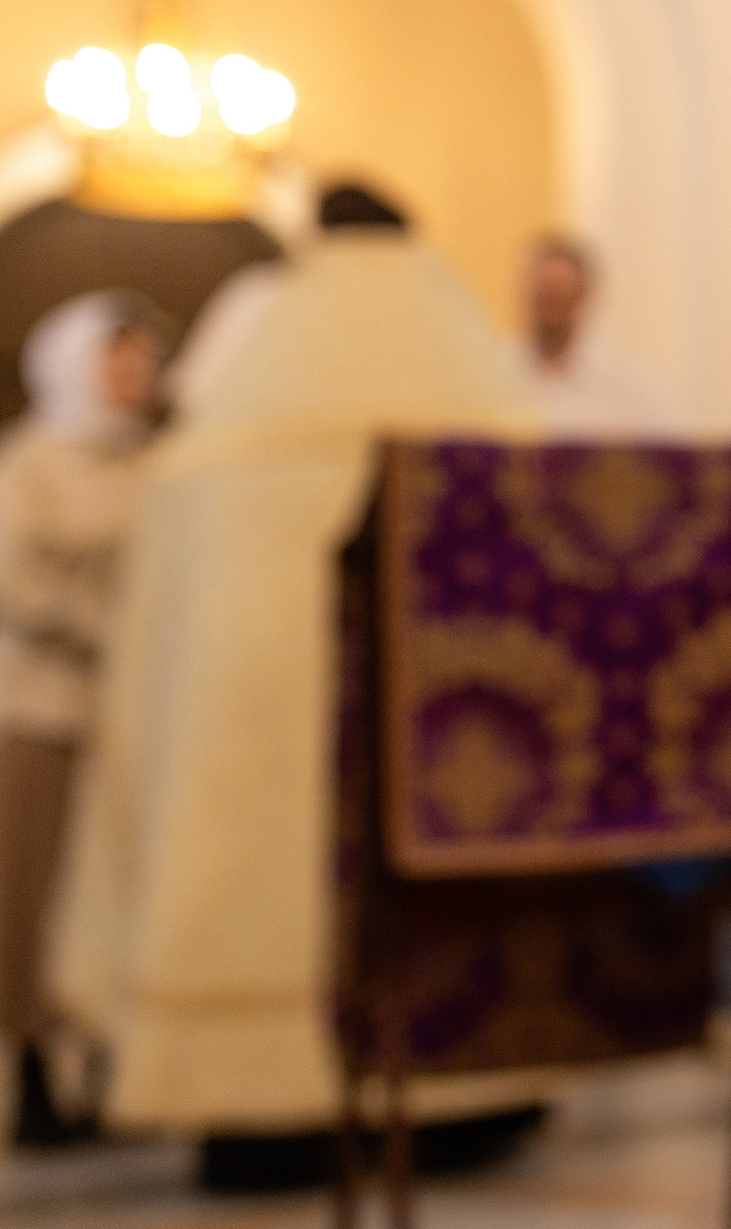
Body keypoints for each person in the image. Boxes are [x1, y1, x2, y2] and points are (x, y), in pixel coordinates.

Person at [50, 182, 542, 1155]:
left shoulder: (246, 386)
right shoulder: (479, 382)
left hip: (257, 719)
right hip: (446, 746)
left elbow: (162, 610)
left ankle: (265, 1114)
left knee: (261, 847)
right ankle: (475, 1090)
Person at [0, 292, 165, 1146]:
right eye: (116, 358)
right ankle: (33, 1071)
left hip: (130, 720)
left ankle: (110, 1068)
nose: (132, 375)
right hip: (47, 707)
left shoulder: (158, 465)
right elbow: (18, 583)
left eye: (141, 360)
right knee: (37, 892)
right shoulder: (30, 463)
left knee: (115, 893)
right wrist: (110, 628)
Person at [519, 233, 681, 435]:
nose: (550, 309)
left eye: (560, 293)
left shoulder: (630, 386)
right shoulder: (502, 371)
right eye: (543, 294)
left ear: (583, 296)